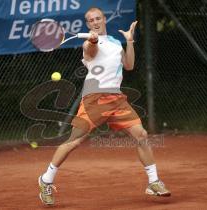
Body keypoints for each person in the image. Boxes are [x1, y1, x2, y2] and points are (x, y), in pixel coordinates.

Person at [38, 7, 171, 205]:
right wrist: (92, 41)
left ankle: (153, 182)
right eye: (90, 20)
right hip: (94, 98)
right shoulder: (87, 44)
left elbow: (129, 65)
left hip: (117, 99)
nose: (95, 22)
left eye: (98, 18)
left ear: (104, 20)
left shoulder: (116, 43)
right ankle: (45, 180)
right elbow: (92, 52)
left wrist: (129, 41)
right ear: (87, 24)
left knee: (141, 135)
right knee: (74, 142)